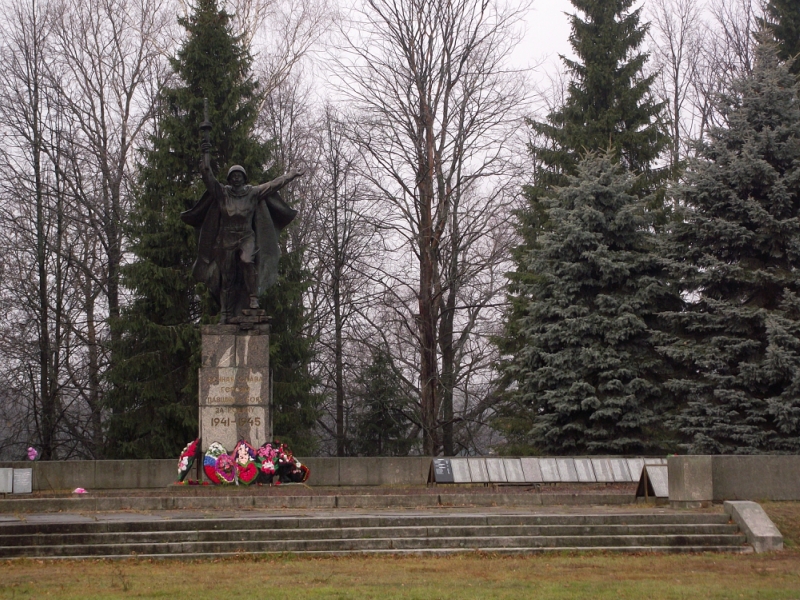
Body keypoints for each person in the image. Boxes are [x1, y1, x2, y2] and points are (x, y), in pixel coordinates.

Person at [181, 141, 303, 323]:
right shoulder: (222, 193)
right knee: (227, 276)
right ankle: (225, 313)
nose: (236, 178)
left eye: (240, 175)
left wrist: (291, 175)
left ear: (244, 178)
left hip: (246, 236)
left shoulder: (252, 193)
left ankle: (253, 298)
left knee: (247, 260)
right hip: (227, 238)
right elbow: (207, 176)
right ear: (230, 178)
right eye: (233, 175)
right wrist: (205, 154)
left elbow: (273, 185)